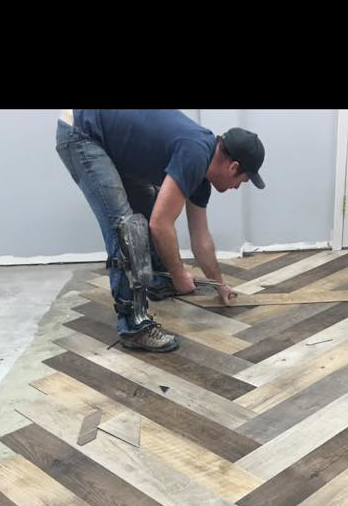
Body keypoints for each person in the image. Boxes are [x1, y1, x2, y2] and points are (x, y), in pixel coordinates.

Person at [55, 109, 266, 352]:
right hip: (82, 131)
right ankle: (133, 327)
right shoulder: (195, 153)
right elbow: (160, 225)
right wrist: (179, 276)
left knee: (149, 205)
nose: (238, 187)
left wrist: (220, 285)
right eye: (243, 180)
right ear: (233, 167)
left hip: (106, 137)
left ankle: (157, 280)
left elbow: (201, 238)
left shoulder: (201, 170)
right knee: (126, 228)